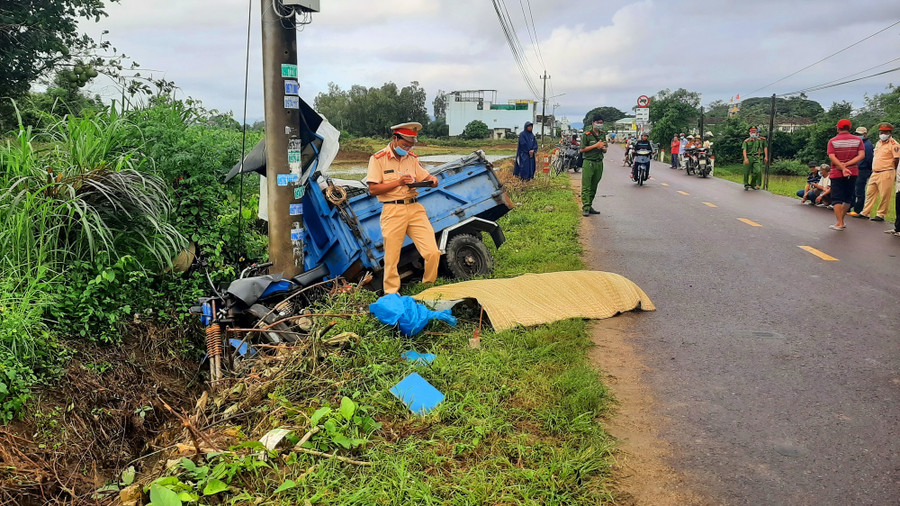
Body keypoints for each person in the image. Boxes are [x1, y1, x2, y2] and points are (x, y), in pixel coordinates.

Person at [366, 122, 440, 294]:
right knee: (392, 258)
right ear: (395, 138)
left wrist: (432, 180)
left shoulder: (412, 158)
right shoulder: (378, 159)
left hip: (415, 208)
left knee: (432, 251)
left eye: (410, 145)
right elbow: (373, 189)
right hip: (392, 210)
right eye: (405, 144)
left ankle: (428, 287)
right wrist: (398, 182)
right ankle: (391, 293)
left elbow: (426, 176)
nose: (407, 148)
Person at [825, 119, 865, 231]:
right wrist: (847, 165)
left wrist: (842, 167)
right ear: (849, 128)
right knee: (848, 197)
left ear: (838, 128)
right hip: (852, 172)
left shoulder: (833, 141)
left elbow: (832, 156)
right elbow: (861, 155)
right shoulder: (858, 140)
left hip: (836, 172)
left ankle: (840, 223)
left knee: (836, 198)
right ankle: (841, 221)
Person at [859, 122, 899, 222]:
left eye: (885, 132)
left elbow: (896, 159)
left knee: (885, 195)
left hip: (886, 171)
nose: (882, 134)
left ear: (890, 133)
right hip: (875, 171)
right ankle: (865, 212)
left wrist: (892, 169)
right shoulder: (878, 143)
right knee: (870, 193)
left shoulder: (894, 145)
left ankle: (880, 214)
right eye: (881, 132)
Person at [580, 114, 607, 217]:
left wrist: (602, 148)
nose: (600, 125)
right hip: (589, 162)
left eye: (601, 123)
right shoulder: (586, 135)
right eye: (598, 123)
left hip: (599, 162)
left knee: (594, 185)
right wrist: (595, 145)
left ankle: (590, 205)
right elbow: (582, 149)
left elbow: (605, 149)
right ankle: (586, 207)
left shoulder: (603, 134)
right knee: (586, 186)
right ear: (593, 123)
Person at [848, 126, 874, 216]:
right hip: (856, 169)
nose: (858, 136)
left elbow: (869, 159)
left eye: (860, 134)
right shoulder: (859, 144)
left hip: (863, 169)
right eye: (857, 134)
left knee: (859, 190)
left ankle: (858, 210)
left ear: (865, 134)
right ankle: (850, 207)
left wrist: (868, 170)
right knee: (853, 189)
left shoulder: (867, 145)